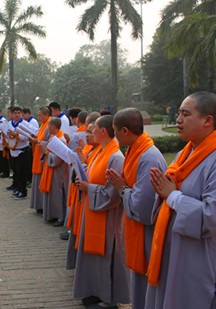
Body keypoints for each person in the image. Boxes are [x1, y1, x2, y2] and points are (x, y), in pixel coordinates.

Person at [146, 91, 216, 309]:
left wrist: (172, 196)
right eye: (179, 113)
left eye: (185, 114)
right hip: (177, 257)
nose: (178, 120)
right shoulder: (186, 153)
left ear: (207, 120)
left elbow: (215, 216)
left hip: (204, 266)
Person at [105, 108, 168, 309]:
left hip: (148, 232)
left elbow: (143, 207)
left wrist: (122, 189)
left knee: (148, 283)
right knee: (140, 284)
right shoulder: (134, 150)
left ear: (125, 131)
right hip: (138, 229)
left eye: (114, 131)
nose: (113, 135)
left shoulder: (148, 157)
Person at [72, 115, 131, 308]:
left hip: (107, 217)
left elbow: (112, 194)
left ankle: (108, 298)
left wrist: (88, 188)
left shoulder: (115, 157)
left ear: (103, 131)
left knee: (107, 258)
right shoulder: (100, 151)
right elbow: (92, 175)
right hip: (93, 212)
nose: (90, 132)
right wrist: (82, 169)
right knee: (94, 258)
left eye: (93, 129)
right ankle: (94, 291)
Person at [65, 114, 101, 266]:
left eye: (91, 131)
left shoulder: (111, 155)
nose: (86, 134)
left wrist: (82, 164)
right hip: (83, 197)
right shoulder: (92, 150)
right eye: (86, 131)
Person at [39, 117, 69, 225]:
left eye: (48, 126)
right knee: (52, 193)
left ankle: (60, 217)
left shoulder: (61, 140)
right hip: (50, 170)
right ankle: (51, 215)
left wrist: (46, 152)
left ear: (53, 127)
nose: (47, 128)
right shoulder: (53, 137)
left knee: (57, 194)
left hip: (58, 172)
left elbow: (57, 160)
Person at [5, 107, 30, 199]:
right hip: (13, 150)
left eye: (19, 113)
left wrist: (16, 135)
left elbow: (28, 137)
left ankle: (23, 191)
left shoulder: (25, 124)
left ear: (22, 114)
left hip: (22, 150)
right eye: (15, 113)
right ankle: (18, 189)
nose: (17, 115)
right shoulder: (9, 124)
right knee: (16, 172)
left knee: (21, 172)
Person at [29, 106, 51, 213]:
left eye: (40, 116)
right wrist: (35, 138)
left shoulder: (49, 125)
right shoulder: (43, 125)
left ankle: (42, 206)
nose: (39, 118)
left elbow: (50, 143)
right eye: (38, 116)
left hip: (44, 158)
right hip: (38, 156)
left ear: (47, 115)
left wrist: (36, 142)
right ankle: (39, 205)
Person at [23, 108, 39, 187]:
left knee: (31, 163)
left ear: (28, 113)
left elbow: (34, 132)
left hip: (33, 144)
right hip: (29, 143)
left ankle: (31, 180)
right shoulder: (26, 121)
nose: (23, 116)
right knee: (28, 163)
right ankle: (28, 179)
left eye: (23, 115)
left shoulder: (33, 122)